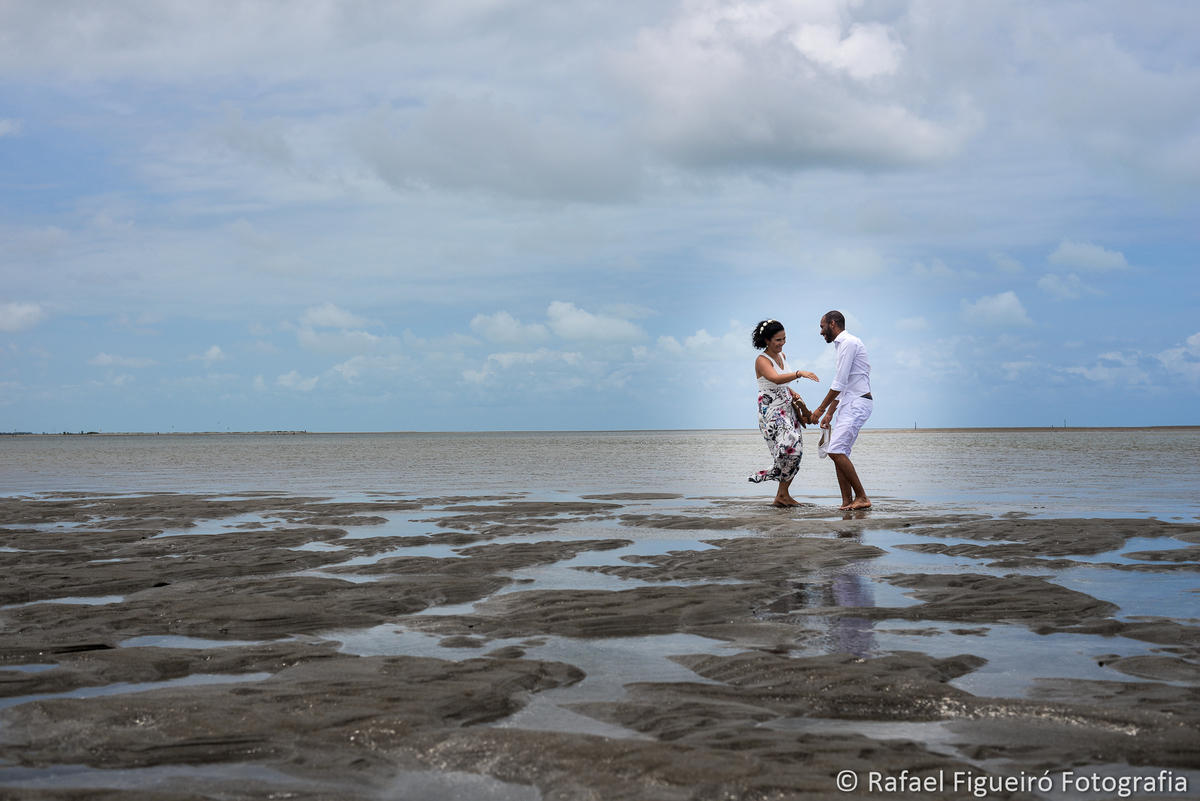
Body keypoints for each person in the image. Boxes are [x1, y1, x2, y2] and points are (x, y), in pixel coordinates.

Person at [748, 319, 820, 507]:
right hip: (771, 412)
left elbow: (783, 385)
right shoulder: (761, 360)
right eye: (778, 340)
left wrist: (794, 392)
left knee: (796, 451)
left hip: (787, 409)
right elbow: (775, 379)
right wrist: (798, 373)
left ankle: (782, 495)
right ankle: (772, 475)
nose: (782, 343)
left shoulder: (783, 356)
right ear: (766, 340)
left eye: (784, 339)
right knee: (788, 447)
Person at [810, 310, 873, 511]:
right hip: (849, 402)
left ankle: (861, 497)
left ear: (832, 324)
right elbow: (843, 386)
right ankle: (847, 501)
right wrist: (830, 413)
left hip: (857, 402)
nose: (820, 332)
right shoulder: (842, 345)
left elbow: (839, 382)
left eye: (822, 327)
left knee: (835, 450)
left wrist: (820, 409)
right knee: (838, 450)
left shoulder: (848, 343)